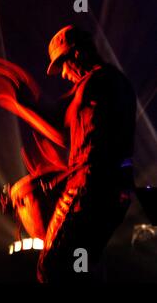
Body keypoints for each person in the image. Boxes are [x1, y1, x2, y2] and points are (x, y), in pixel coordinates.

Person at [36, 25, 136, 282]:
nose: (64, 75)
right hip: (117, 194)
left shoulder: (93, 84)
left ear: (77, 55)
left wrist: (18, 100)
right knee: (82, 269)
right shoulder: (118, 81)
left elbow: (86, 154)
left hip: (89, 191)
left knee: (50, 267)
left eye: (64, 66)